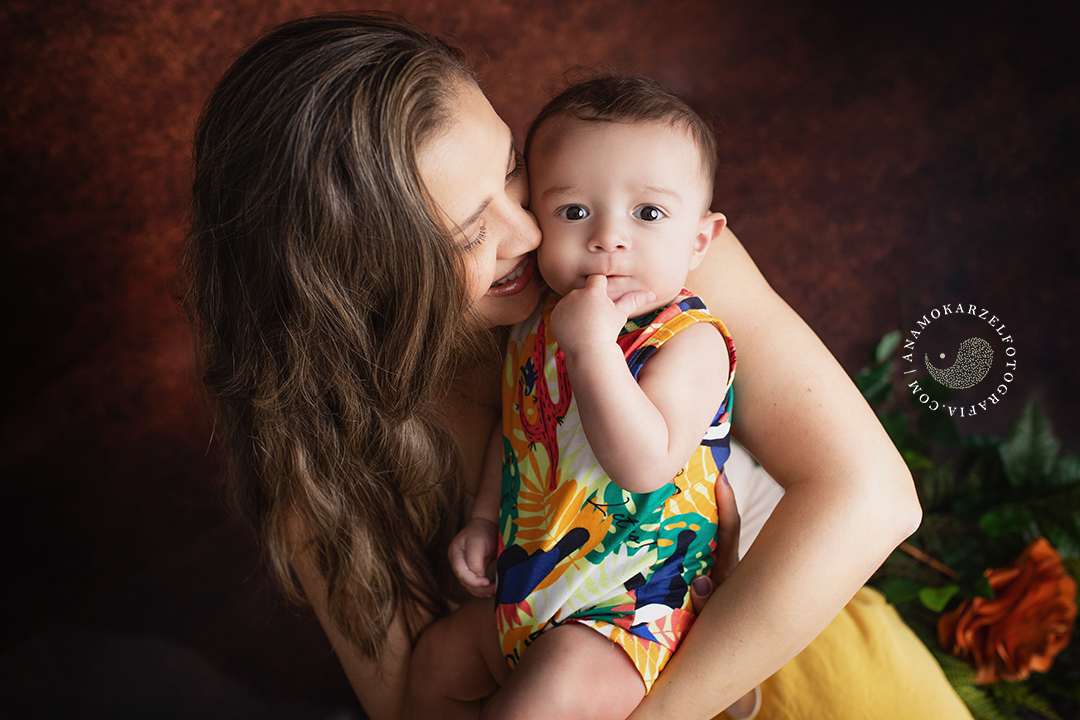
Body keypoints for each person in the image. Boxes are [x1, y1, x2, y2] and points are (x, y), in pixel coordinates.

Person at [183, 11, 971, 720]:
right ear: (352, 283)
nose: (526, 230)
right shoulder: (322, 462)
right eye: (462, 237)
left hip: (798, 658)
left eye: (507, 171)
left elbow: (872, 499)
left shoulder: (653, 263)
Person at [402, 74, 758, 720]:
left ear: (699, 240)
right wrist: (484, 519)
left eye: (647, 214)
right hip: (529, 591)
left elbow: (646, 461)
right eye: (574, 212)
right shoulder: (537, 326)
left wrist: (593, 349)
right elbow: (520, 433)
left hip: (627, 613)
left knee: (532, 708)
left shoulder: (689, 339)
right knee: (432, 665)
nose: (608, 238)